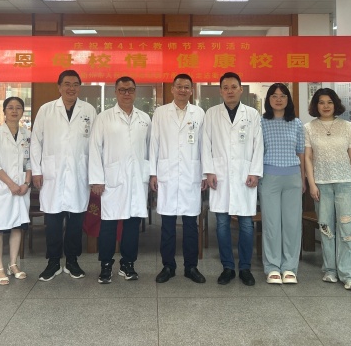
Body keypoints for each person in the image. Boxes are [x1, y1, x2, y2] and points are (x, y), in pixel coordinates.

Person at [31, 70, 97, 282]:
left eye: (75, 84)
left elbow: (95, 145)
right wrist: (37, 170)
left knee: (76, 221)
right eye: (67, 84)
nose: (71, 88)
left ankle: (72, 261)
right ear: (59, 87)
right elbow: (36, 141)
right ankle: (53, 262)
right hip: (53, 174)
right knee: (53, 221)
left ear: (80, 87)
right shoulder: (46, 110)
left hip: (79, 173)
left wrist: (95, 174)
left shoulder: (88, 110)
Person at [202, 72, 263, 287]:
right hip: (220, 175)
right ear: (220, 91)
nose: (230, 91)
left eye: (233, 87)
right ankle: (227, 267)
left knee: (246, 223)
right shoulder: (211, 113)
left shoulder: (252, 114)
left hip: (245, 175)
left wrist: (255, 171)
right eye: (225, 87)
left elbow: (258, 144)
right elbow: (205, 144)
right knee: (221, 223)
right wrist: (209, 171)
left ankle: (245, 268)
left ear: (241, 89)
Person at [89, 76, 151, 284]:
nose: (126, 93)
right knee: (109, 223)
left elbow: (150, 149)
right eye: (122, 90)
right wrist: (96, 179)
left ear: (135, 92)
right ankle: (106, 265)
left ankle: (128, 264)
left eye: (130, 89)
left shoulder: (144, 118)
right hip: (112, 179)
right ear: (115, 92)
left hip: (137, 179)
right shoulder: (104, 118)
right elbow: (95, 148)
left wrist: (150, 174)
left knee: (133, 223)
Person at [150, 74, 206, 284]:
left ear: (191, 90)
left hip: (192, 174)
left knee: (191, 224)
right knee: (167, 224)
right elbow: (154, 143)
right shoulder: (161, 112)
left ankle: (191, 267)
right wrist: (153, 173)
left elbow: (204, 146)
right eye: (179, 86)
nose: (182, 90)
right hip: (167, 174)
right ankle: (168, 266)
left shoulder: (199, 113)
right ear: (172, 89)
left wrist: (204, 173)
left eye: (186, 87)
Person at [304, 88, 351, 291]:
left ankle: (349, 274)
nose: (326, 106)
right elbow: (308, 158)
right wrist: (312, 184)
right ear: (316, 105)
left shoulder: (347, 126)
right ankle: (330, 269)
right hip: (321, 184)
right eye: (321, 102)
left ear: (335, 104)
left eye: (329, 102)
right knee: (326, 227)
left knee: (347, 228)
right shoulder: (309, 127)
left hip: (345, 183)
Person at [259, 83, 305, 285]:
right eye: (274, 96)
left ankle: (289, 268)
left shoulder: (297, 123)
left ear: (288, 99)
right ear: (268, 99)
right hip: (269, 177)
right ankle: (272, 267)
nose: (278, 99)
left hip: (293, 178)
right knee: (271, 224)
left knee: (292, 224)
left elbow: (301, 153)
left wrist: (303, 179)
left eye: (283, 96)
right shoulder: (261, 122)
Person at [0, 96, 32, 285]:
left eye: (18, 107)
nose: (14, 111)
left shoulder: (27, 134)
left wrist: (26, 183)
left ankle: (13, 264)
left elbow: (30, 161)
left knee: (17, 226)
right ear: (4, 111)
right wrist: (11, 184)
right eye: (10, 107)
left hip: (22, 188)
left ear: (22, 111)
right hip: (2, 188)